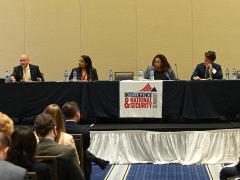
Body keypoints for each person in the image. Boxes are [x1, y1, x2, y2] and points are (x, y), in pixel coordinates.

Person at [62, 101, 109, 180]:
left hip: (61, 160)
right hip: (79, 161)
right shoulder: (84, 131)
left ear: (63, 115)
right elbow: (85, 147)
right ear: (77, 114)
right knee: (85, 156)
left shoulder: (59, 130)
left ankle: (99, 161)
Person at [34, 113, 84, 180]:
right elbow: (79, 178)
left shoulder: (29, 153)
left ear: (36, 132)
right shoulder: (66, 151)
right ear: (54, 130)